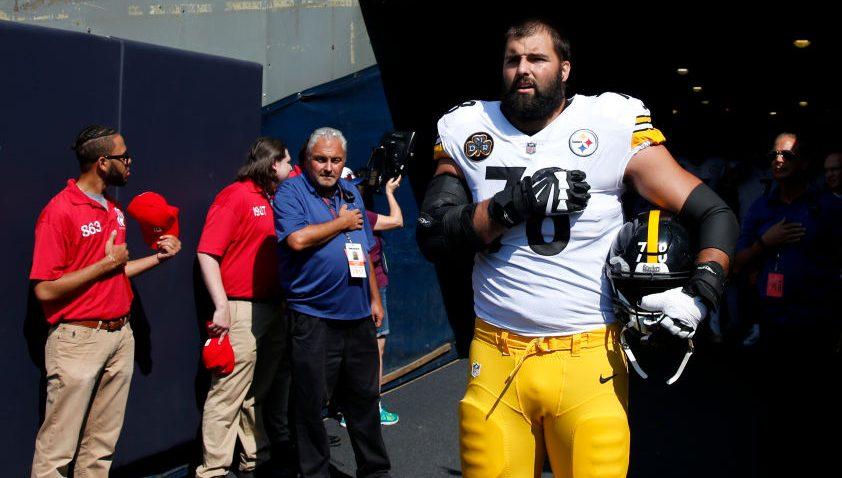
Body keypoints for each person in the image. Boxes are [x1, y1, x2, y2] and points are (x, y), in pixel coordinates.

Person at [416, 19, 737, 478]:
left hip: (589, 356)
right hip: (496, 355)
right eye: (513, 59)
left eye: (537, 58)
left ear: (564, 69)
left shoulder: (610, 122)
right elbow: (435, 233)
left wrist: (704, 290)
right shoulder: (468, 127)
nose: (523, 69)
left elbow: (713, 213)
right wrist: (515, 203)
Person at [29, 125, 182, 478]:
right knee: (57, 451)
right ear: (102, 162)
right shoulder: (60, 210)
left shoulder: (113, 209)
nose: (130, 162)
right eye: (123, 156)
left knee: (100, 449)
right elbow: (45, 289)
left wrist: (158, 258)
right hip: (77, 340)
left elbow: (116, 272)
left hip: (120, 336)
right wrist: (105, 264)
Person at [273, 127, 391, 478]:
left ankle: (376, 471)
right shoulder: (291, 192)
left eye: (335, 160)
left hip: (357, 316)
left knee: (365, 401)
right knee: (310, 405)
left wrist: (374, 298)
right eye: (320, 159)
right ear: (307, 160)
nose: (328, 166)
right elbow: (296, 239)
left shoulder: (351, 192)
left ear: (344, 162)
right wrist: (340, 223)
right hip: (313, 317)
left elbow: (366, 251)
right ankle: (315, 473)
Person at [733, 133, 842, 474]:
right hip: (773, 324)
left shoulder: (828, 207)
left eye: (788, 155)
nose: (778, 160)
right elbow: (736, 262)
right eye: (774, 154)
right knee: (775, 408)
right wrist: (766, 243)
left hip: (817, 324)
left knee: (813, 407)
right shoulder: (762, 207)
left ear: (805, 163)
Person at [195, 137, 292, 478]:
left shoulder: (273, 198)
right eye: (287, 162)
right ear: (272, 165)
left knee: (257, 392)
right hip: (239, 309)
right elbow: (207, 252)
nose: (292, 168)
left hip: (272, 308)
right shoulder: (234, 196)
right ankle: (213, 470)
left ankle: (254, 459)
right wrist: (220, 305)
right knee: (228, 392)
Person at [344, 167, 404, 426]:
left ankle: (352, 408)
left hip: (359, 287)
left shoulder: (351, 214)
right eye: (354, 185)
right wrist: (390, 193)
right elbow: (397, 220)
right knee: (375, 348)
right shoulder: (359, 215)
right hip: (372, 287)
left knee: (359, 348)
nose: (360, 189)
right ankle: (371, 407)